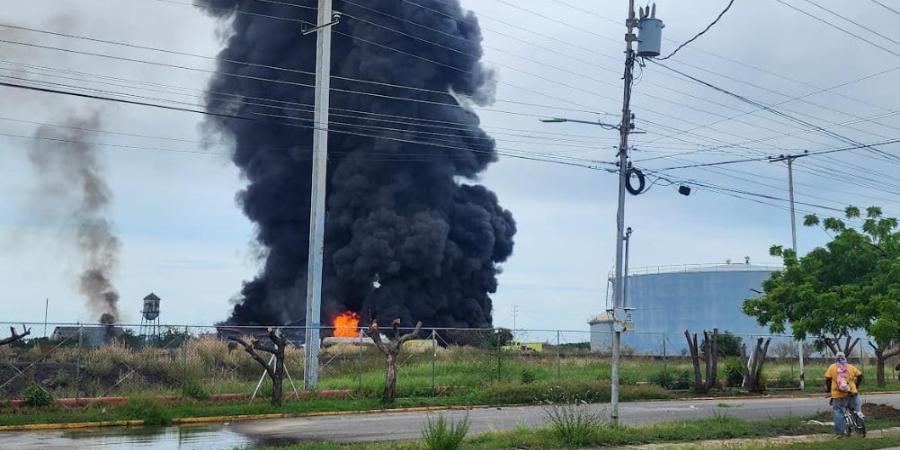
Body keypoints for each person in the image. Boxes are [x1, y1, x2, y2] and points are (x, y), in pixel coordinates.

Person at [824, 351, 863, 436]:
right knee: (856, 410)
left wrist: (828, 390)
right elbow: (860, 375)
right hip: (852, 393)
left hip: (838, 395)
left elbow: (827, 379)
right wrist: (856, 385)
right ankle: (860, 429)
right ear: (845, 358)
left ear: (836, 359)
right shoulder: (850, 367)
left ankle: (839, 433)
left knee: (839, 412)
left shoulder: (832, 367)